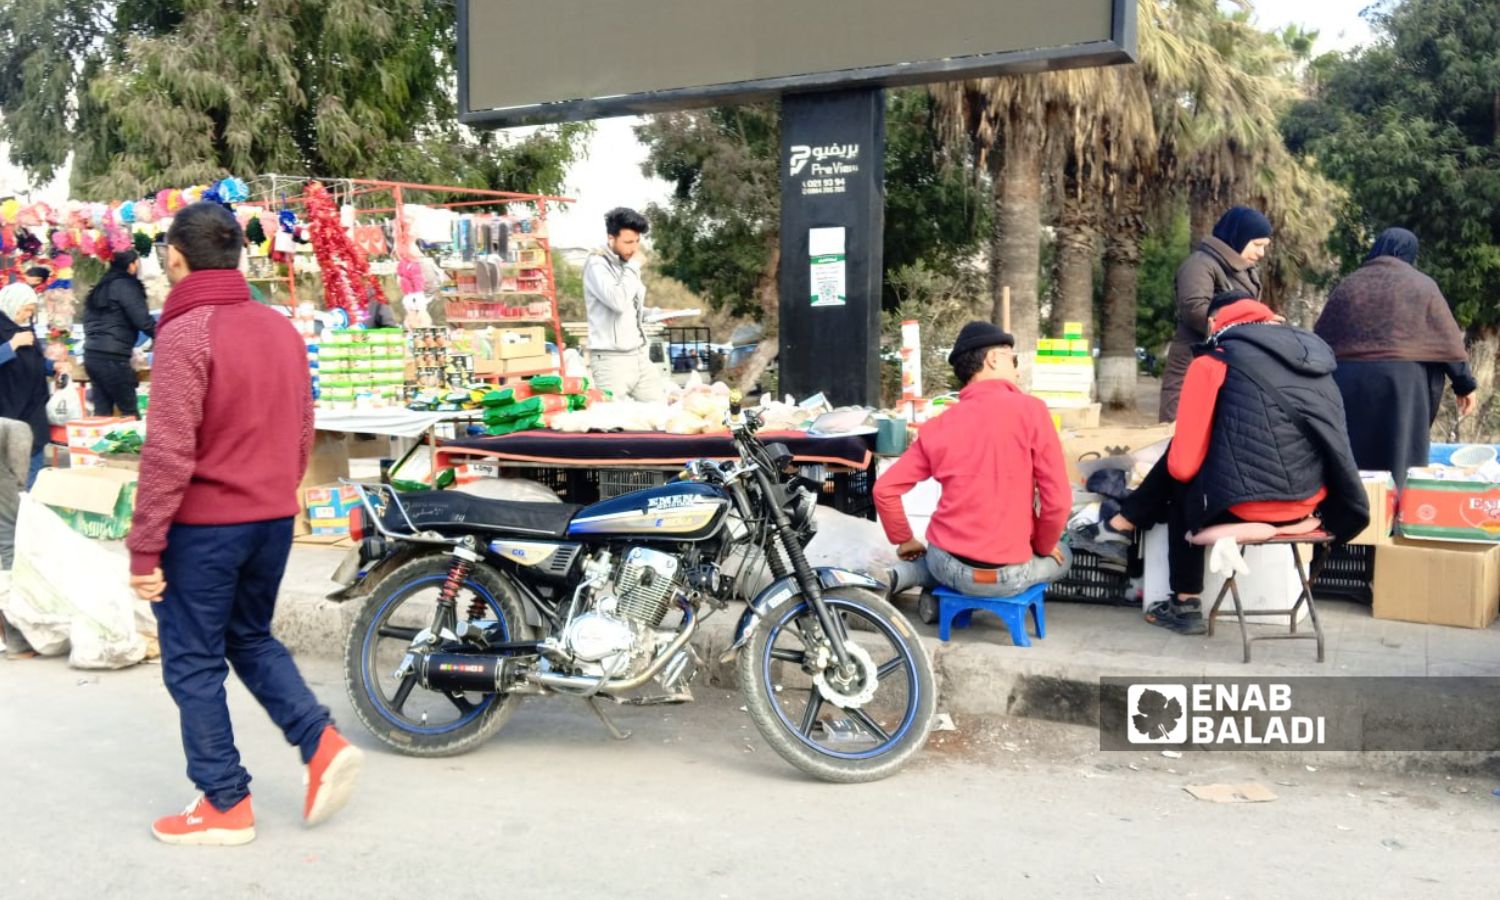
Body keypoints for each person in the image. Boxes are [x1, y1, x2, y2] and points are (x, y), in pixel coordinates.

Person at [125, 202, 362, 846]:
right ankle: (319, 741)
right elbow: (304, 427)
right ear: (236, 256)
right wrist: (275, 493)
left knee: (192, 661)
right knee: (250, 638)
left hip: (207, 527)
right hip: (270, 517)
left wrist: (144, 549)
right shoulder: (277, 326)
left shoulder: (185, 331)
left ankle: (224, 800)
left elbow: (169, 449)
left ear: (175, 257)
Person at [1079, 291, 1369, 634]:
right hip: (1311, 502)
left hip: (1252, 508)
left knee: (1181, 481)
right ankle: (1122, 525)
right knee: (1191, 462)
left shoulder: (1214, 360)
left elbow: (1183, 466)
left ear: (1216, 323)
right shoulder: (1315, 360)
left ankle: (1182, 603)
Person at [875, 321, 1073, 599]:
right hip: (1008, 574)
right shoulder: (1032, 411)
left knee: (936, 559)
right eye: (1013, 360)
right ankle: (934, 587)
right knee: (1064, 553)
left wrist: (905, 540)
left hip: (947, 564)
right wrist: (1042, 545)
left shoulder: (938, 425)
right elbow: (1059, 501)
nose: (1016, 369)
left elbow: (884, 490)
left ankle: (904, 577)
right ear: (993, 358)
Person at [1314, 228, 1477, 489]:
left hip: (1348, 381)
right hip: (1402, 383)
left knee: (1352, 452)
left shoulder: (1350, 284)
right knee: (1400, 453)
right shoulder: (1422, 285)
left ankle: (1352, 513)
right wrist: (1464, 384)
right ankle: (1396, 512)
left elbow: (1320, 339)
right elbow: (1446, 339)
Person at [1160, 207, 1274, 422]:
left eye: (1264, 247)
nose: (1261, 253)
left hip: (1227, 362)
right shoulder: (1200, 264)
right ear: (1239, 237)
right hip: (1194, 363)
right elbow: (1194, 310)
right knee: (1180, 435)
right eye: (1257, 245)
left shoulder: (1246, 271)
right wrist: (1247, 326)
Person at [585, 207, 664, 402]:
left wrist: (656, 313)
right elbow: (617, 301)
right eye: (628, 242)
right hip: (610, 359)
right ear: (611, 238)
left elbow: (630, 309)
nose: (634, 248)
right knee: (614, 424)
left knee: (660, 413)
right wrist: (634, 266)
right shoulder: (596, 263)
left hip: (638, 355)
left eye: (637, 241)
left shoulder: (626, 265)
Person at [83, 250, 154, 417]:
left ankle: (99, 442)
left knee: (102, 414)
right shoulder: (127, 285)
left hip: (92, 355)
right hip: (113, 358)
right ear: (131, 265)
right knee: (129, 414)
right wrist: (166, 337)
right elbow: (143, 320)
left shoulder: (101, 286)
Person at [0, 283, 48, 488]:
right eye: (26, 309)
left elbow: (34, 360)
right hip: (7, 408)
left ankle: (26, 507)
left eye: (32, 310)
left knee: (35, 459)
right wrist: (12, 345)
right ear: (12, 305)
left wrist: (54, 367)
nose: (29, 315)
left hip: (33, 407)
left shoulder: (26, 329)